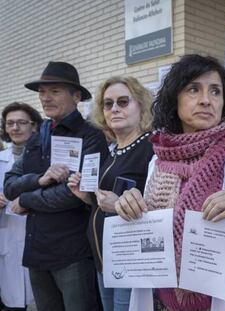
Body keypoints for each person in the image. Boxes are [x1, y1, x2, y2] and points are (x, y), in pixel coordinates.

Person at [113, 54, 225, 311]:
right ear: (175, 99)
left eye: (215, 91)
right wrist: (130, 208)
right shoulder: (159, 157)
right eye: (194, 89)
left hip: (224, 300)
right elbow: (151, 228)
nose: (206, 100)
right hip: (162, 300)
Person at [3, 61, 108, 311]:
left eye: (55, 91)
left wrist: (26, 200)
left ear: (77, 96)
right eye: (42, 92)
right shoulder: (39, 135)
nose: (46, 98)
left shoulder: (91, 136)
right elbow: (9, 185)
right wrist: (39, 179)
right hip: (37, 253)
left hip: (72, 254)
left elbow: (74, 194)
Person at [67, 76, 154, 311]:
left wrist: (118, 205)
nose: (114, 108)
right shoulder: (112, 151)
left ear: (141, 106)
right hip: (104, 260)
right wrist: (84, 196)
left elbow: (161, 206)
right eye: (108, 103)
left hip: (131, 262)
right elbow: (103, 202)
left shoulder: (152, 147)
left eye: (123, 102)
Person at [0, 102, 42, 310]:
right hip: (8, 240)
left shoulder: (45, 157)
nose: (15, 128)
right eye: (10, 123)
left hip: (42, 239)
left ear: (34, 126)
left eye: (21, 122)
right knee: (13, 303)